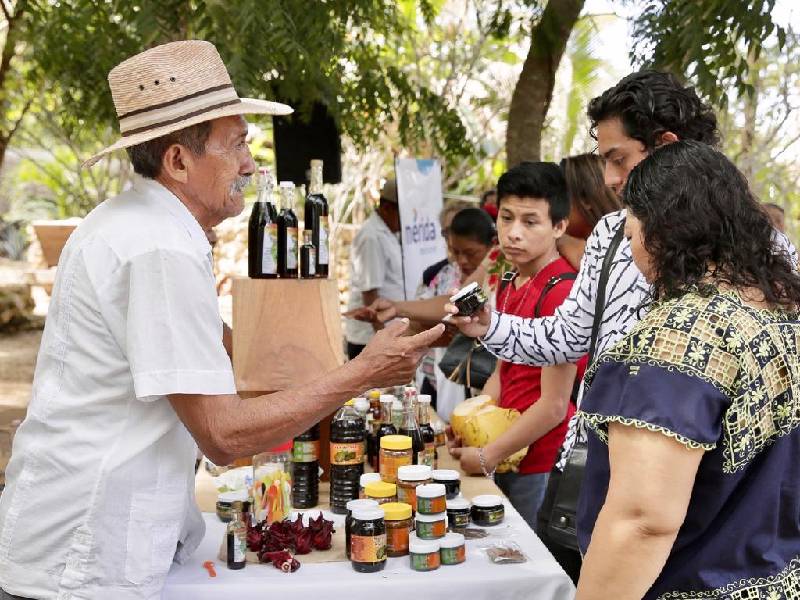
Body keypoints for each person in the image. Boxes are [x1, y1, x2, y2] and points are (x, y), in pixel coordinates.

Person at [0, 41, 442, 600]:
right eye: (235, 146)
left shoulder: (143, 226)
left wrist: (327, 367)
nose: (249, 165)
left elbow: (228, 357)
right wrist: (361, 373)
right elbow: (224, 436)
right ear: (179, 161)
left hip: (87, 540)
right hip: (82, 555)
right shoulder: (157, 248)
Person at [447, 70, 797, 582]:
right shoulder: (612, 233)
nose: (610, 180)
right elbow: (567, 336)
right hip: (595, 474)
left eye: (618, 159)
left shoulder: (752, 255)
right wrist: (491, 326)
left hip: (712, 498)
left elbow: (645, 518)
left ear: (666, 147)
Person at [575, 140, 800, 599]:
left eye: (631, 229)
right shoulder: (784, 310)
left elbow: (643, 520)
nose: (631, 246)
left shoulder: (683, 333)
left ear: (658, 231)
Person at [449, 163, 586, 527]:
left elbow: (555, 405)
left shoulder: (562, 292)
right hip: (507, 448)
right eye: (506, 218)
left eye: (530, 222)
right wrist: (474, 425)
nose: (513, 233)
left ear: (559, 226)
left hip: (540, 461)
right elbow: (500, 370)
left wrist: (487, 455)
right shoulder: (510, 281)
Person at [344, 178, 405, 359]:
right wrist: (383, 338)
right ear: (387, 208)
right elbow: (370, 296)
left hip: (385, 334)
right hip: (370, 340)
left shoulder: (390, 232)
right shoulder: (371, 237)